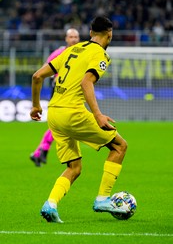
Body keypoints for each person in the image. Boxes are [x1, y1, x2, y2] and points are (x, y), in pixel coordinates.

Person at [30, 16, 127, 223]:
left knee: (74, 167)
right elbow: (86, 83)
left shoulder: (71, 50)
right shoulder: (100, 54)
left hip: (54, 114)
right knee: (119, 146)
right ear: (110, 34)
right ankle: (102, 198)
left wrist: (36, 105)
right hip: (73, 112)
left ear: (90, 33)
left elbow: (37, 76)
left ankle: (51, 204)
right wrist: (98, 115)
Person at [30, 28, 80, 167]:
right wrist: (56, 78)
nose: (74, 39)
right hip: (60, 92)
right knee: (62, 124)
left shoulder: (82, 53)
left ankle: (41, 151)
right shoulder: (59, 53)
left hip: (74, 93)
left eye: (76, 36)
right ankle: (43, 151)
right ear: (66, 39)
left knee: (60, 125)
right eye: (71, 36)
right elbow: (43, 71)